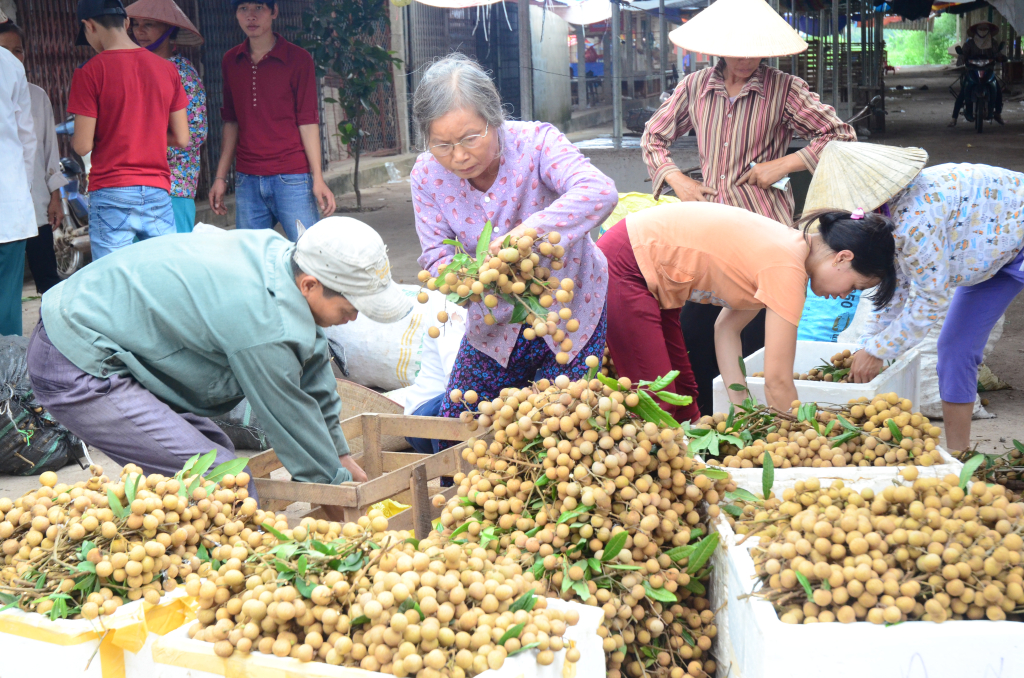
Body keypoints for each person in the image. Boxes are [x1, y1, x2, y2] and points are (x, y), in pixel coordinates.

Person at [27, 218, 412, 512]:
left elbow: (312, 370)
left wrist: (339, 452)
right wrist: (337, 494)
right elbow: (288, 416)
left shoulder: (283, 260)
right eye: (349, 309)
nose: (354, 319)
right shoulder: (263, 321)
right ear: (310, 285)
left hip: (118, 339)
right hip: (78, 357)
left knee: (212, 454)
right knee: (228, 485)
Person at [643, 0, 857, 415]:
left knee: (756, 337)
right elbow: (653, 137)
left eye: (754, 50)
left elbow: (840, 135)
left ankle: (764, 423)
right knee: (697, 331)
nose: (744, 60)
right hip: (707, 230)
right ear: (717, 47)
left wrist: (786, 163)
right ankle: (707, 424)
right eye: (735, 50)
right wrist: (678, 180)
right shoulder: (694, 87)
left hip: (763, 230)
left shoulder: (785, 88)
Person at [411, 54, 617, 418]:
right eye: (442, 145)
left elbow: (598, 191)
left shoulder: (537, 143)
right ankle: (418, 425)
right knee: (458, 425)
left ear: (495, 119)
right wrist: (469, 277)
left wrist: (528, 233)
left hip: (571, 312)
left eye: (470, 138)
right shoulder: (426, 175)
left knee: (554, 429)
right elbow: (436, 259)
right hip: (492, 330)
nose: (458, 156)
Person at [804, 141, 1024, 453]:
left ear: (844, 257)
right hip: (988, 261)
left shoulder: (915, 219)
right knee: (955, 348)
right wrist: (867, 345)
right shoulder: (881, 223)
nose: (843, 293)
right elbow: (900, 291)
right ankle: (960, 457)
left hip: (1015, 236)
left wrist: (878, 350)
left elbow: (930, 300)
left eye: (853, 288)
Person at [598, 202, 897, 415]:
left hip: (650, 275)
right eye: (855, 286)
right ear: (842, 258)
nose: (846, 295)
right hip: (628, 264)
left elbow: (727, 330)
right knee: (658, 402)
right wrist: (801, 435)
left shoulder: (788, 254)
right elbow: (777, 382)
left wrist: (743, 412)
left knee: (685, 394)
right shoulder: (786, 266)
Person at [69, 0, 190, 259]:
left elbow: (82, 145)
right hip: (157, 190)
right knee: (165, 272)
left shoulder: (89, 73)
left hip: (112, 191)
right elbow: (182, 137)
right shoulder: (168, 70)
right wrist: (146, 133)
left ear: (88, 26)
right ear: (126, 23)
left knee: (114, 279)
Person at [208, 0, 335, 241]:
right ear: (236, 15)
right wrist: (220, 177)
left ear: (274, 11)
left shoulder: (299, 59)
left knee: (309, 253)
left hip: (292, 177)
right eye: (243, 9)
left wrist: (317, 178)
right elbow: (231, 121)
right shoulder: (230, 61)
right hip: (247, 179)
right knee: (250, 260)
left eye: (259, 8)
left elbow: (307, 121)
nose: (251, 16)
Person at [0, 20, 68, 296]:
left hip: (36, 203)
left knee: (47, 279)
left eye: (18, 51)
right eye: (4, 51)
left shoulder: (37, 96)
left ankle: (48, 336)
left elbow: (48, 149)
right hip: (7, 207)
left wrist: (56, 197)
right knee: (8, 285)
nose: (12, 58)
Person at [127, 0, 207, 233]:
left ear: (170, 30)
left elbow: (195, 133)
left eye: (149, 25)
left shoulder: (183, 73)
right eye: (136, 24)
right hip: (136, 185)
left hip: (174, 187)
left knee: (173, 261)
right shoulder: (135, 69)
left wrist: (144, 145)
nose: (139, 31)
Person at [0, 15, 36, 337]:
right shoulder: (11, 66)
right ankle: (8, 384)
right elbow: (27, 138)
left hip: (10, 204)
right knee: (7, 303)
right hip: (8, 206)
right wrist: (18, 189)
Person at [950, 21, 1006, 127]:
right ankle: (954, 118)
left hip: (988, 70)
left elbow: (998, 54)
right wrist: (962, 57)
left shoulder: (993, 43)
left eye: (985, 29)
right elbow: (964, 53)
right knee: (963, 92)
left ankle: (997, 114)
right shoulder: (970, 43)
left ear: (989, 31)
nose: (983, 31)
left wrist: (1001, 57)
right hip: (972, 70)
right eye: (980, 29)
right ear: (976, 31)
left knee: (998, 90)